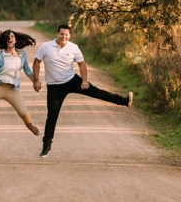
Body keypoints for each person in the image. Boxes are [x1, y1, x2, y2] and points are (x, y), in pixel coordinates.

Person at [33, 24, 133, 157]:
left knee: (96, 92)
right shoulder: (46, 47)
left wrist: (84, 81)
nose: (64, 36)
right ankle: (46, 146)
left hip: (71, 80)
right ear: (57, 34)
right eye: (62, 34)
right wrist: (36, 80)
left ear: (69, 35)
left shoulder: (74, 47)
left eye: (66, 34)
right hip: (54, 86)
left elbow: (82, 64)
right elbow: (36, 62)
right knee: (52, 115)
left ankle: (124, 101)